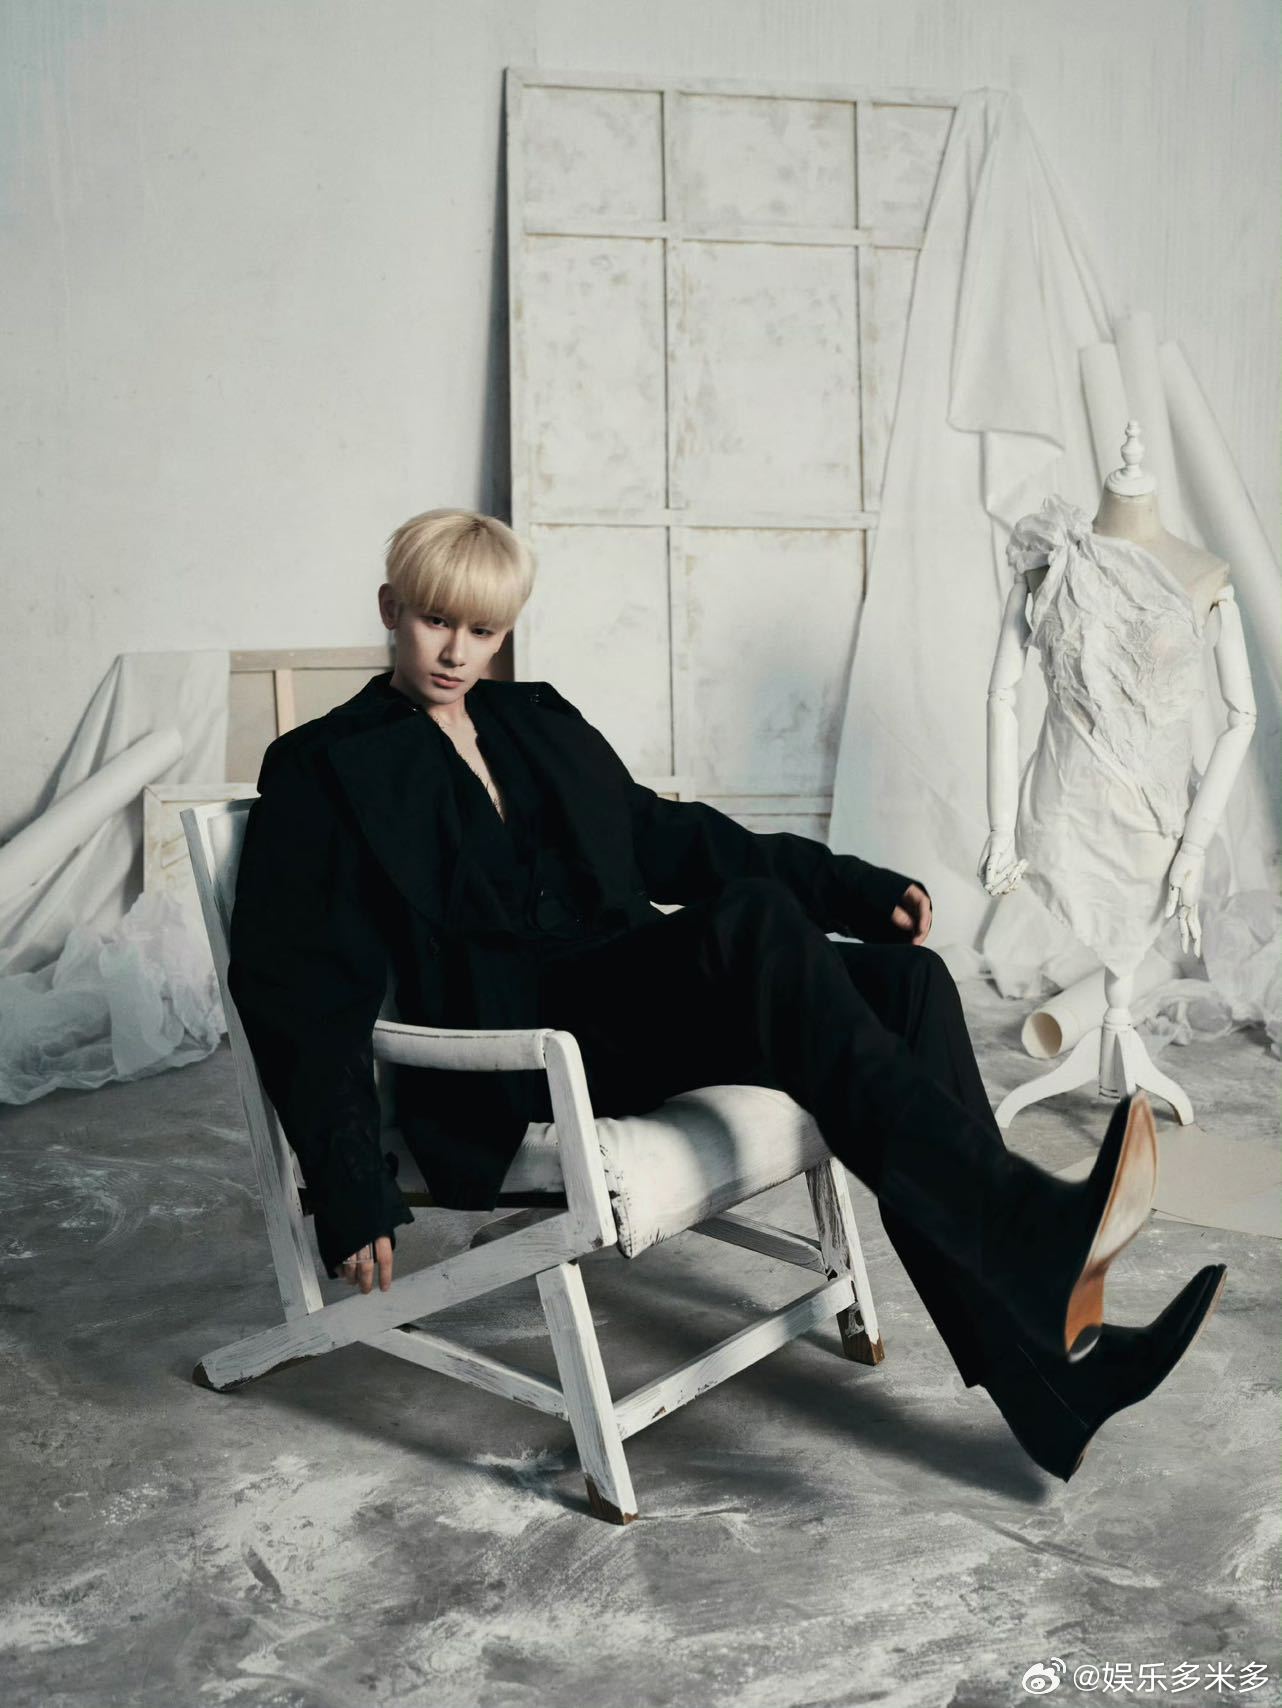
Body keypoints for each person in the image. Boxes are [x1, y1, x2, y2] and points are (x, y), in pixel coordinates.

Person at [227, 508, 1227, 1483]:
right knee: (750, 923)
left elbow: (673, 838)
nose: (456, 651)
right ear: (390, 610)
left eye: (482, 630)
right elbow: (297, 982)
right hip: (522, 1052)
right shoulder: (325, 766)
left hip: (626, 1003)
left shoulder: (534, 721)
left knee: (910, 983)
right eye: (435, 620)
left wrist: (849, 890)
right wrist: (349, 1181)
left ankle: (1046, 1384)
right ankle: (1015, 1223)